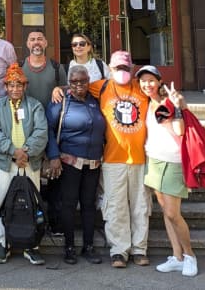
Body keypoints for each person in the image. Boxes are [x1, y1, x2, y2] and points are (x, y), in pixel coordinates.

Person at [52, 50, 151, 268]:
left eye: (126, 68)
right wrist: (59, 89)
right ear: (110, 69)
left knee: (140, 206)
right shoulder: (103, 86)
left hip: (139, 159)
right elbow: (77, 85)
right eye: (117, 68)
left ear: (132, 68)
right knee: (115, 207)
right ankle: (119, 251)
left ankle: (139, 249)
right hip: (112, 159)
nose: (122, 72)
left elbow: (159, 96)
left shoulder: (142, 88)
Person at [136, 65, 197, 276]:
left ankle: (190, 256)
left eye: (151, 80)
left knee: (173, 213)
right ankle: (177, 256)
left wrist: (178, 105)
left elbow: (180, 130)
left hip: (173, 162)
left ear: (159, 81)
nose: (147, 84)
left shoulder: (166, 103)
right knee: (165, 212)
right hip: (154, 160)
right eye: (143, 81)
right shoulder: (146, 103)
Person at [45, 66, 105, 265]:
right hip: (69, 163)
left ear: (89, 81)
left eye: (83, 81)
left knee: (89, 205)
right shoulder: (60, 102)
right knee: (68, 205)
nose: (79, 85)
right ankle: (69, 247)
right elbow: (49, 130)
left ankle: (88, 246)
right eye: (74, 82)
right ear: (68, 82)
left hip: (93, 163)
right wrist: (53, 156)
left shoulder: (96, 100)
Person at [0, 63, 48, 265]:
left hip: (30, 162)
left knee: (32, 202)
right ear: (5, 87)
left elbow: (41, 132)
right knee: (4, 202)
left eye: (19, 85)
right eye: (11, 85)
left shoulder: (35, 105)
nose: (15, 89)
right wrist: (13, 152)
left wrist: (26, 152)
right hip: (8, 162)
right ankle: (2, 243)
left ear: (25, 86)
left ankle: (31, 246)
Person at [20, 29, 68, 236]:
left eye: (40, 38)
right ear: (27, 44)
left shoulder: (57, 68)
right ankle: (33, 222)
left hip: (54, 130)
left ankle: (55, 223)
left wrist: (61, 89)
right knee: (31, 179)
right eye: (32, 39)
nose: (36, 42)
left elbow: (68, 90)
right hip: (27, 131)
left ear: (46, 42)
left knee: (55, 179)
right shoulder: (20, 68)